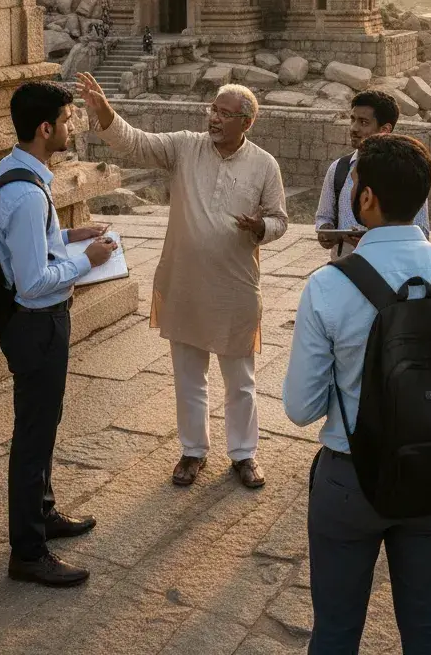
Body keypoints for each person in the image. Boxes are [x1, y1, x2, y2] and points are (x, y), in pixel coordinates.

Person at [283, 134, 431, 653]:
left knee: (337, 630)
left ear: (365, 198)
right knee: (428, 622)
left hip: (351, 476)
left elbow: (300, 408)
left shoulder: (330, 284)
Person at [76, 73, 287, 489]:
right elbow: (135, 142)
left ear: (246, 123)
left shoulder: (264, 164)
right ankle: (193, 451)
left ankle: (244, 454)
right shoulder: (184, 147)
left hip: (235, 287)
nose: (214, 119)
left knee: (240, 379)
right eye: (213, 109)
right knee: (189, 376)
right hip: (185, 283)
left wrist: (261, 226)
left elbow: (281, 218)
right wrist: (105, 112)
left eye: (226, 114)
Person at [0, 82, 117, 586]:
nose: (71, 128)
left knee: (44, 424)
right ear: (45, 128)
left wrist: (70, 236)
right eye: (67, 121)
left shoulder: (17, 170)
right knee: (33, 434)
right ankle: (27, 551)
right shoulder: (25, 192)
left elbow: (33, 244)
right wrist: (86, 262)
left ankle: (42, 513)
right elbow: (31, 282)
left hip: (40, 323)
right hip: (36, 322)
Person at [315, 89, 429, 257]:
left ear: (385, 130)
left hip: (391, 263)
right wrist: (327, 233)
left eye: (363, 122)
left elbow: (422, 232)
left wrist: (374, 238)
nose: (354, 128)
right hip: (345, 263)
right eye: (352, 119)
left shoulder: (406, 172)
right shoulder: (339, 168)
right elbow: (324, 218)